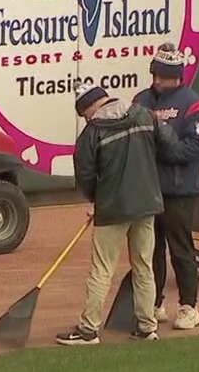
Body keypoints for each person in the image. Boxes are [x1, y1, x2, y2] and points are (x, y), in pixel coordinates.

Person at [55, 81, 178, 345]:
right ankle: (147, 327)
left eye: (84, 114)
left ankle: (88, 330)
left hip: (112, 210)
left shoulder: (91, 135)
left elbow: (85, 177)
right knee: (144, 267)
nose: (86, 119)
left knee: (101, 270)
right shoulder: (144, 114)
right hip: (147, 204)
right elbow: (167, 143)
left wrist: (98, 200)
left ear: (90, 107)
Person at [133, 43, 199, 331]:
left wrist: (161, 147)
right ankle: (153, 304)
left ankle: (189, 307)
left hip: (179, 193)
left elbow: (192, 150)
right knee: (149, 251)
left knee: (181, 250)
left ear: (177, 76)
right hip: (148, 190)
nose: (157, 81)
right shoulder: (141, 100)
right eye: (155, 75)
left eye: (163, 76)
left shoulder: (193, 104)